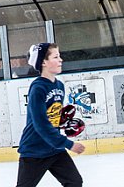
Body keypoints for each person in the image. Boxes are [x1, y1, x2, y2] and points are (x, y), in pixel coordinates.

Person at [15, 43, 85, 187]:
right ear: (43, 62)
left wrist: (64, 122)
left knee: (74, 182)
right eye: (56, 57)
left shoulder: (59, 86)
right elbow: (40, 124)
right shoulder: (38, 88)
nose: (61, 60)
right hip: (34, 149)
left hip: (54, 149)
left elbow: (52, 117)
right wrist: (68, 144)